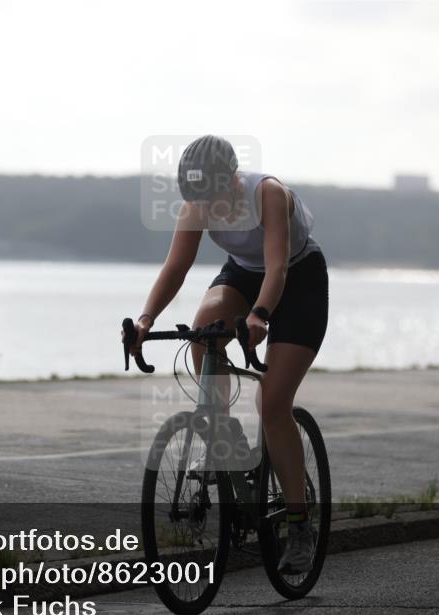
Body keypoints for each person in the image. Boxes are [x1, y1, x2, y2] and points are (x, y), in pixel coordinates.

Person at [127, 135, 328, 573]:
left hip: (298, 279)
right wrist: (145, 321)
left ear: (234, 180)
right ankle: (227, 439)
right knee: (203, 334)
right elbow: (175, 268)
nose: (208, 208)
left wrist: (258, 315)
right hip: (242, 273)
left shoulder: (268, 194)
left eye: (214, 198)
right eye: (199, 200)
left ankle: (298, 527)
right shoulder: (196, 203)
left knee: (272, 404)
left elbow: (276, 268)